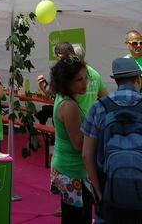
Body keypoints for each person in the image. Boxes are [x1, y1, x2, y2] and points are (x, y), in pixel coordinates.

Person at [82, 58, 142, 224]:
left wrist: (99, 192)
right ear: (138, 79)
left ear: (115, 80)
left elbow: (87, 155)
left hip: (109, 189)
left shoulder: (99, 107)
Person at [49, 56, 93, 224]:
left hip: (67, 168)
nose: (84, 83)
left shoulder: (63, 98)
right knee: (77, 218)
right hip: (71, 171)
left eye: (85, 78)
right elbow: (78, 144)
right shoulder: (69, 106)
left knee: (73, 216)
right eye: (79, 80)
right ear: (66, 82)